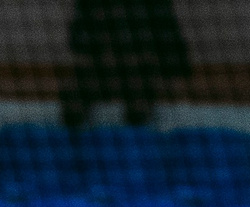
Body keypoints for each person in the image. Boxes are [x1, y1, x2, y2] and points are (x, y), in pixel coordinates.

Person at [62, 0, 189, 129]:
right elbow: (79, 43)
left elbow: (171, 50)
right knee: (75, 98)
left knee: (138, 92)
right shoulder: (90, 8)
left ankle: (138, 128)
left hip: (141, 71)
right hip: (99, 67)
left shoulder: (155, 10)